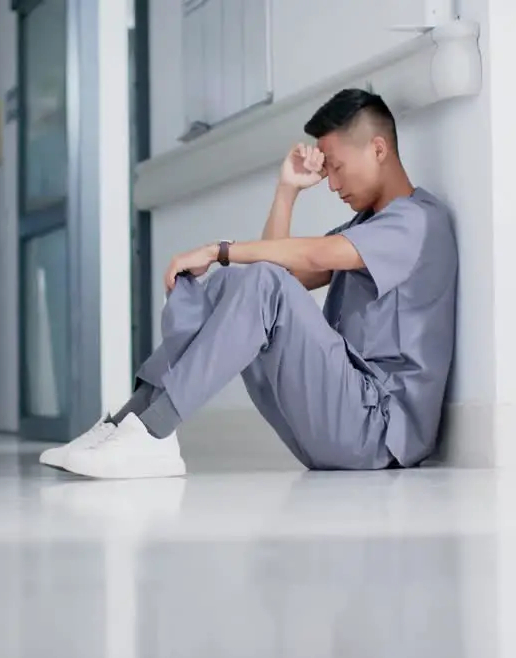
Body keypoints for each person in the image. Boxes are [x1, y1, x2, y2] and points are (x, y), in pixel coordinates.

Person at [41, 88, 458, 479]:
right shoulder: (367, 226)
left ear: (378, 149)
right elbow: (278, 273)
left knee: (253, 278)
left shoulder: (417, 220)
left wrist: (216, 249)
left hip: (378, 429)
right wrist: (287, 191)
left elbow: (301, 263)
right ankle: (129, 423)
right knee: (234, 284)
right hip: (344, 420)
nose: (331, 184)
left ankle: (155, 432)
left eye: (337, 168)